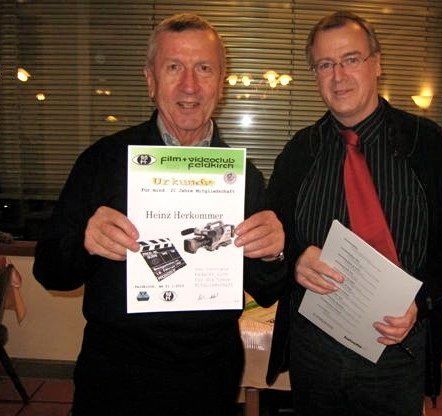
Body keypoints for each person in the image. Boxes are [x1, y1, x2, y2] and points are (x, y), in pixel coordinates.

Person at [33, 13, 285, 416]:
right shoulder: (102, 161)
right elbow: (50, 270)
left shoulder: (242, 178)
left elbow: (267, 288)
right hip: (115, 380)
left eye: (204, 69)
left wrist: (273, 253)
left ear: (221, 83)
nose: (190, 85)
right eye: (173, 68)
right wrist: (84, 242)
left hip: (209, 381)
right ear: (150, 80)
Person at [265, 10, 442, 416]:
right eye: (325, 64)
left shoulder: (428, 145)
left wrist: (422, 299)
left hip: (398, 348)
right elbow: (273, 237)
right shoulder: (300, 152)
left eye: (351, 59)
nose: (338, 76)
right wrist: (294, 258)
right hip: (314, 348)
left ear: (377, 63)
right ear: (315, 75)